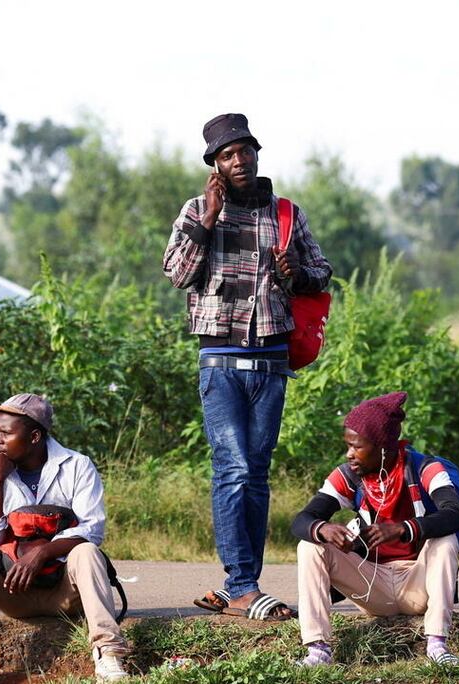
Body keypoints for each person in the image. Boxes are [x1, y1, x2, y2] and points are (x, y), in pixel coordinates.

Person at [163, 113, 332, 621]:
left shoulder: (285, 213)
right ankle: (241, 585)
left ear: (257, 153)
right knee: (233, 470)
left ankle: (243, 583)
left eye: (245, 151)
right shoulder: (197, 210)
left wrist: (296, 273)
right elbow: (177, 273)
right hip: (220, 361)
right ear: (214, 164)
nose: (239, 161)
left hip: (271, 362)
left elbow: (322, 273)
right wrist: (207, 219)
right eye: (227, 155)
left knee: (256, 475)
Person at [0, 394, 129, 682]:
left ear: (35, 436)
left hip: (65, 594)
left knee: (86, 552)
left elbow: (92, 529)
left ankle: (108, 656)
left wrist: (42, 553)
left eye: (6, 432)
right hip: (13, 593)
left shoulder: (77, 465)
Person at [291, 392, 459, 667]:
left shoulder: (425, 467)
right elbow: (302, 520)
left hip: (419, 585)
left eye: (357, 447)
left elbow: (456, 514)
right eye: (348, 446)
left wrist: (403, 529)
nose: (349, 454)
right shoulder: (350, 475)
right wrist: (323, 528)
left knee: (444, 540)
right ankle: (318, 650)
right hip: (373, 588)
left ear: (384, 447)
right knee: (310, 544)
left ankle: (437, 645)